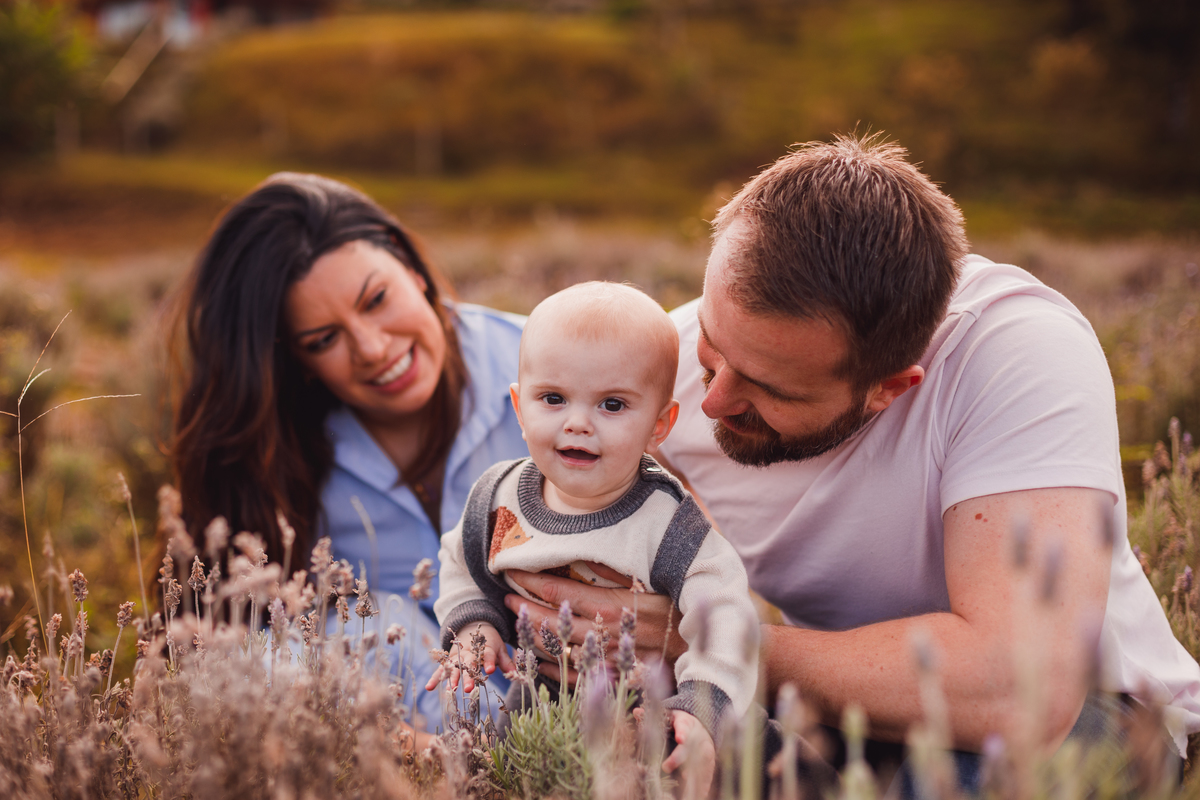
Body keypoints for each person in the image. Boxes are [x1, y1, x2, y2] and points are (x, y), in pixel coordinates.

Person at [503, 134, 1200, 791]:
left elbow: (1021, 692)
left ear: (890, 388)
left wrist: (712, 638)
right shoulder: (659, 374)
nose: (712, 401)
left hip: (1098, 719)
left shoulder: (1018, 353)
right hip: (838, 714)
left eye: (769, 390)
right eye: (713, 347)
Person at [170, 172, 528, 730]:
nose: (373, 348)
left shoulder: (547, 369)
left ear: (410, 267)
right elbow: (224, 650)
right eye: (323, 340)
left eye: (378, 299)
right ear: (294, 360)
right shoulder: (274, 453)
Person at [426, 282, 761, 781]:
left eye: (612, 405)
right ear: (520, 409)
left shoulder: (664, 520)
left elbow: (727, 611)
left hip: (654, 710)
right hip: (537, 702)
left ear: (659, 424)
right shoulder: (498, 496)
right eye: (554, 398)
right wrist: (476, 625)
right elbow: (462, 562)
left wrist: (701, 708)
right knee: (500, 776)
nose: (578, 423)